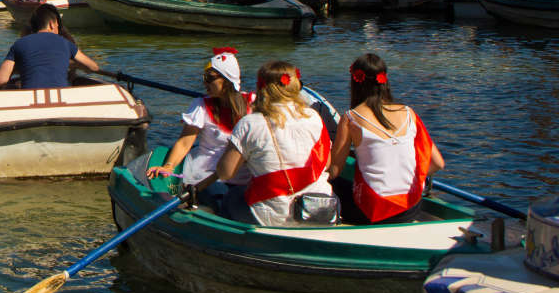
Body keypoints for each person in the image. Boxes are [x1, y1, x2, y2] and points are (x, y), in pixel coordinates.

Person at [215, 60, 334, 226]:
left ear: (262, 88)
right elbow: (326, 163)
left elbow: (225, 173)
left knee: (232, 197)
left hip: (272, 216)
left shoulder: (249, 123)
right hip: (321, 208)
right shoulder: (314, 117)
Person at [328, 54, 444, 225]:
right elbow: (438, 164)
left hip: (372, 211)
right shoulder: (408, 113)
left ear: (355, 82)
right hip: (409, 209)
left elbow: (335, 170)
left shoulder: (351, 118)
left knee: (338, 183)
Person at [147, 48, 256, 212]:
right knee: (224, 205)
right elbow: (185, 142)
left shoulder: (253, 103)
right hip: (207, 174)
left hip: (245, 175)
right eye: (204, 78)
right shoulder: (201, 105)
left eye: (210, 78)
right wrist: (169, 166)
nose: (204, 83)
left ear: (227, 80)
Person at [0, 3, 99, 90]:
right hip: (60, 99)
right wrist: (73, 64)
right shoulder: (65, 43)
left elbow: (0, 80)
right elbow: (93, 67)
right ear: (52, 24)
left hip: (31, 101)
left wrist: (18, 69)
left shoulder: (19, 44)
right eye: (58, 25)